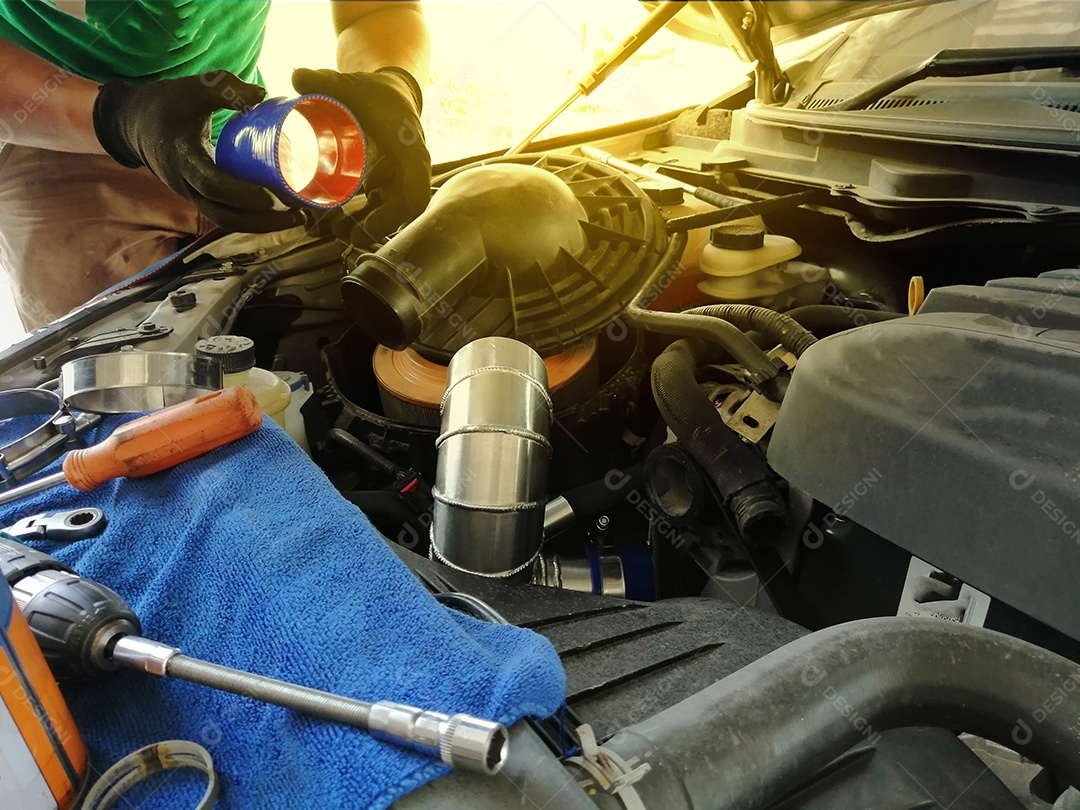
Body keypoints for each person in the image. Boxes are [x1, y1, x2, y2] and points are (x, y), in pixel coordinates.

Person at [0, 1, 431, 328]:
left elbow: (377, 11)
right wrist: (116, 119)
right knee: (106, 370)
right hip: (58, 125)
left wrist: (392, 81)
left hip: (241, 130)